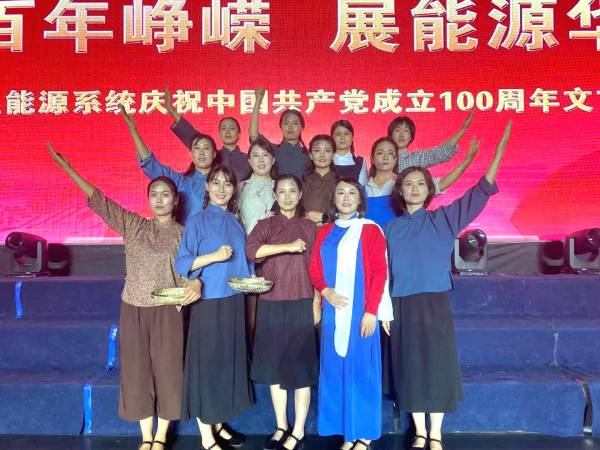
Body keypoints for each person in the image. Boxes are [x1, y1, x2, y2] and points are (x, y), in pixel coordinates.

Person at [48, 144, 201, 450]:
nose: (159, 199)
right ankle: (146, 437)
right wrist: (68, 169)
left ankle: (162, 436)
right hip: (133, 307)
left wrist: (194, 285)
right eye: (154, 194)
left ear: (176, 200)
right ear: (148, 199)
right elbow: (99, 201)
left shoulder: (185, 233)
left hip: (168, 309)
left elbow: (194, 270)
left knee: (169, 370)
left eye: (165, 194)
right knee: (136, 371)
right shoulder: (133, 225)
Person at [384, 123, 511, 450]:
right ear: (400, 191)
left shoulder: (443, 219)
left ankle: (436, 433)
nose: (414, 188)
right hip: (400, 305)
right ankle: (419, 432)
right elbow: (383, 272)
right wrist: (384, 310)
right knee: (410, 367)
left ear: (430, 190)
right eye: (408, 184)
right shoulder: (391, 229)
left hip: (434, 302)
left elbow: (478, 193)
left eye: (420, 184)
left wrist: (497, 154)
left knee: (437, 366)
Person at [309, 178, 393, 450]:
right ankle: (348, 432)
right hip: (333, 313)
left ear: (360, 199)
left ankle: (364, 435)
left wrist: (371, 311)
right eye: (341, 193)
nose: (346, 198)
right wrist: (325, 291)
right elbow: (315, 268)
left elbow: (380, 273)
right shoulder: (324, 232)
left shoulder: (370, 230)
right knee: (336, 372)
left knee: (361, 372)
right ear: (334, 199)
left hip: (361, 312)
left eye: (352, 193)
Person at [175, 165, 254, 450]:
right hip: (208, 304)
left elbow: (244, 263)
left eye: (227, 183)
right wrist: (213, 256)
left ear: (234, 190)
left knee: (225, 365)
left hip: (234, 301)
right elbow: (183, 262)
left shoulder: (235, 221)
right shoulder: (197, 221)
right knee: (207, 367)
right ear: (207, 187)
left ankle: (219, 424)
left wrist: (252, 279)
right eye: (216, 182)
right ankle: (207, 438)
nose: (222, 188)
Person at [246, 174, 318, 450]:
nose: (287, 196)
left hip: (302, 302)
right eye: (282, 191)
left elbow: (318, 268)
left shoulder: (309, 227)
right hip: (271, 303)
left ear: (300, 195)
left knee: (301, 370)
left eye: (292, 191)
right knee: (275, 370)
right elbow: (253, 251)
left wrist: (316, 303)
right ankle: (281, 426)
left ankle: (298, 431)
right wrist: (288, 247)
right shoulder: (264, 225)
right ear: (275, 195)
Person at [121, 105, 217, 223]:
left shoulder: (224, 184)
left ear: (214, 154)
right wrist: (133, 129)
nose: (201, 152)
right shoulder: (180, 182)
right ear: (191, 154)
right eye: (197, 148)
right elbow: (150, 164)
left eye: (206, 148)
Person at [366, 137, 480, 228]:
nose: (385, 157)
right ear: (372, 159)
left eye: (390, 153)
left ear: (396, 159)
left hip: (398, 241)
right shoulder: (362, 189)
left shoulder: (405, 184)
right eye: (380, 153)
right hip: (368, 245)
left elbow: (441, 184)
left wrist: (465, 163)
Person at [163, 86, 251, 182]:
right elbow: (191, 134)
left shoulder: (249, 159)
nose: (227, 131)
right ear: (219, 133)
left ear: (239, 134)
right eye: (223, 128)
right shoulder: (211, 154)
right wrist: (171, 110)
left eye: (232, 128)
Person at [249, 88, 311, 179]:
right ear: (280, 127)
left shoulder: (309, 155)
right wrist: (258, 100)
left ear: (302, 127)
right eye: (286, 123)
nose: (290, 127)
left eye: (295, 123)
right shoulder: (273, 150)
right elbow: (253, 135)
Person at [387, 112, 474, 172]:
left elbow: (440, 153)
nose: (401, 135)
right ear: (390, 135)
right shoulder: (383, 158)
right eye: (397, 130)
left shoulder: (417, 158)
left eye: (406, 131)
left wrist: (463, 129)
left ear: (410, 137)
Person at [238, 136, 277, 234]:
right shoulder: (240, 188)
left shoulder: (280, 188)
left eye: (265, 155)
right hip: (248, 241)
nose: (261, 160)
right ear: (249, 161)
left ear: (273, 160)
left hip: (277, 242)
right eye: (256, 155)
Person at [302, 134, 338, 227]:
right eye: (317, 150)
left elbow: (348, 213)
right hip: (305, 231)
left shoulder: (340, 183)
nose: (322, 155)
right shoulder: (302, 182)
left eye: (327, 151)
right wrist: (304, 216)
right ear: (310, 155)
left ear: (333, 155)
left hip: (332, 232)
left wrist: (325, 218)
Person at [331, 120, 368, 185]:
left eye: (346, 134)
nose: (342, 138)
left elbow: (362, 188)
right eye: (338, 134)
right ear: (332, 137)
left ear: (352, 137)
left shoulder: (360, 162)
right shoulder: (325, 160)